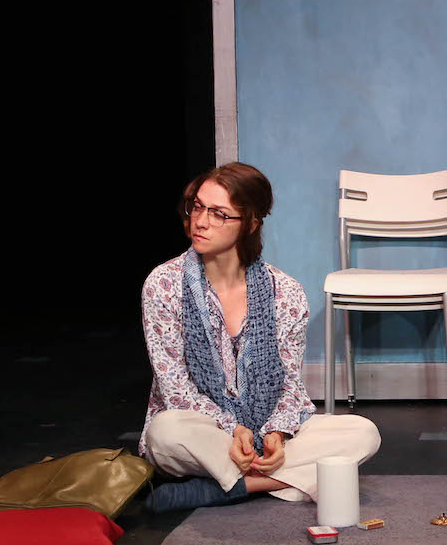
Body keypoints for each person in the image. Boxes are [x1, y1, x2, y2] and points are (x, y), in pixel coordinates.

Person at [140, 162, 380, 511]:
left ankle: (231, 487)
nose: (201, 221)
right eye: (198, 207)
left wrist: (277, 434)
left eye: (219, 214)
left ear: (251, 223)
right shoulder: (164, 284)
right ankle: (291, 478)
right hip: (205, 429)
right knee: (165, 434)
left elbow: (290, 385)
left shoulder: (286, 292)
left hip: (265, 429)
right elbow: (174, 388)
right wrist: (233, 429)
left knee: (364, 433)